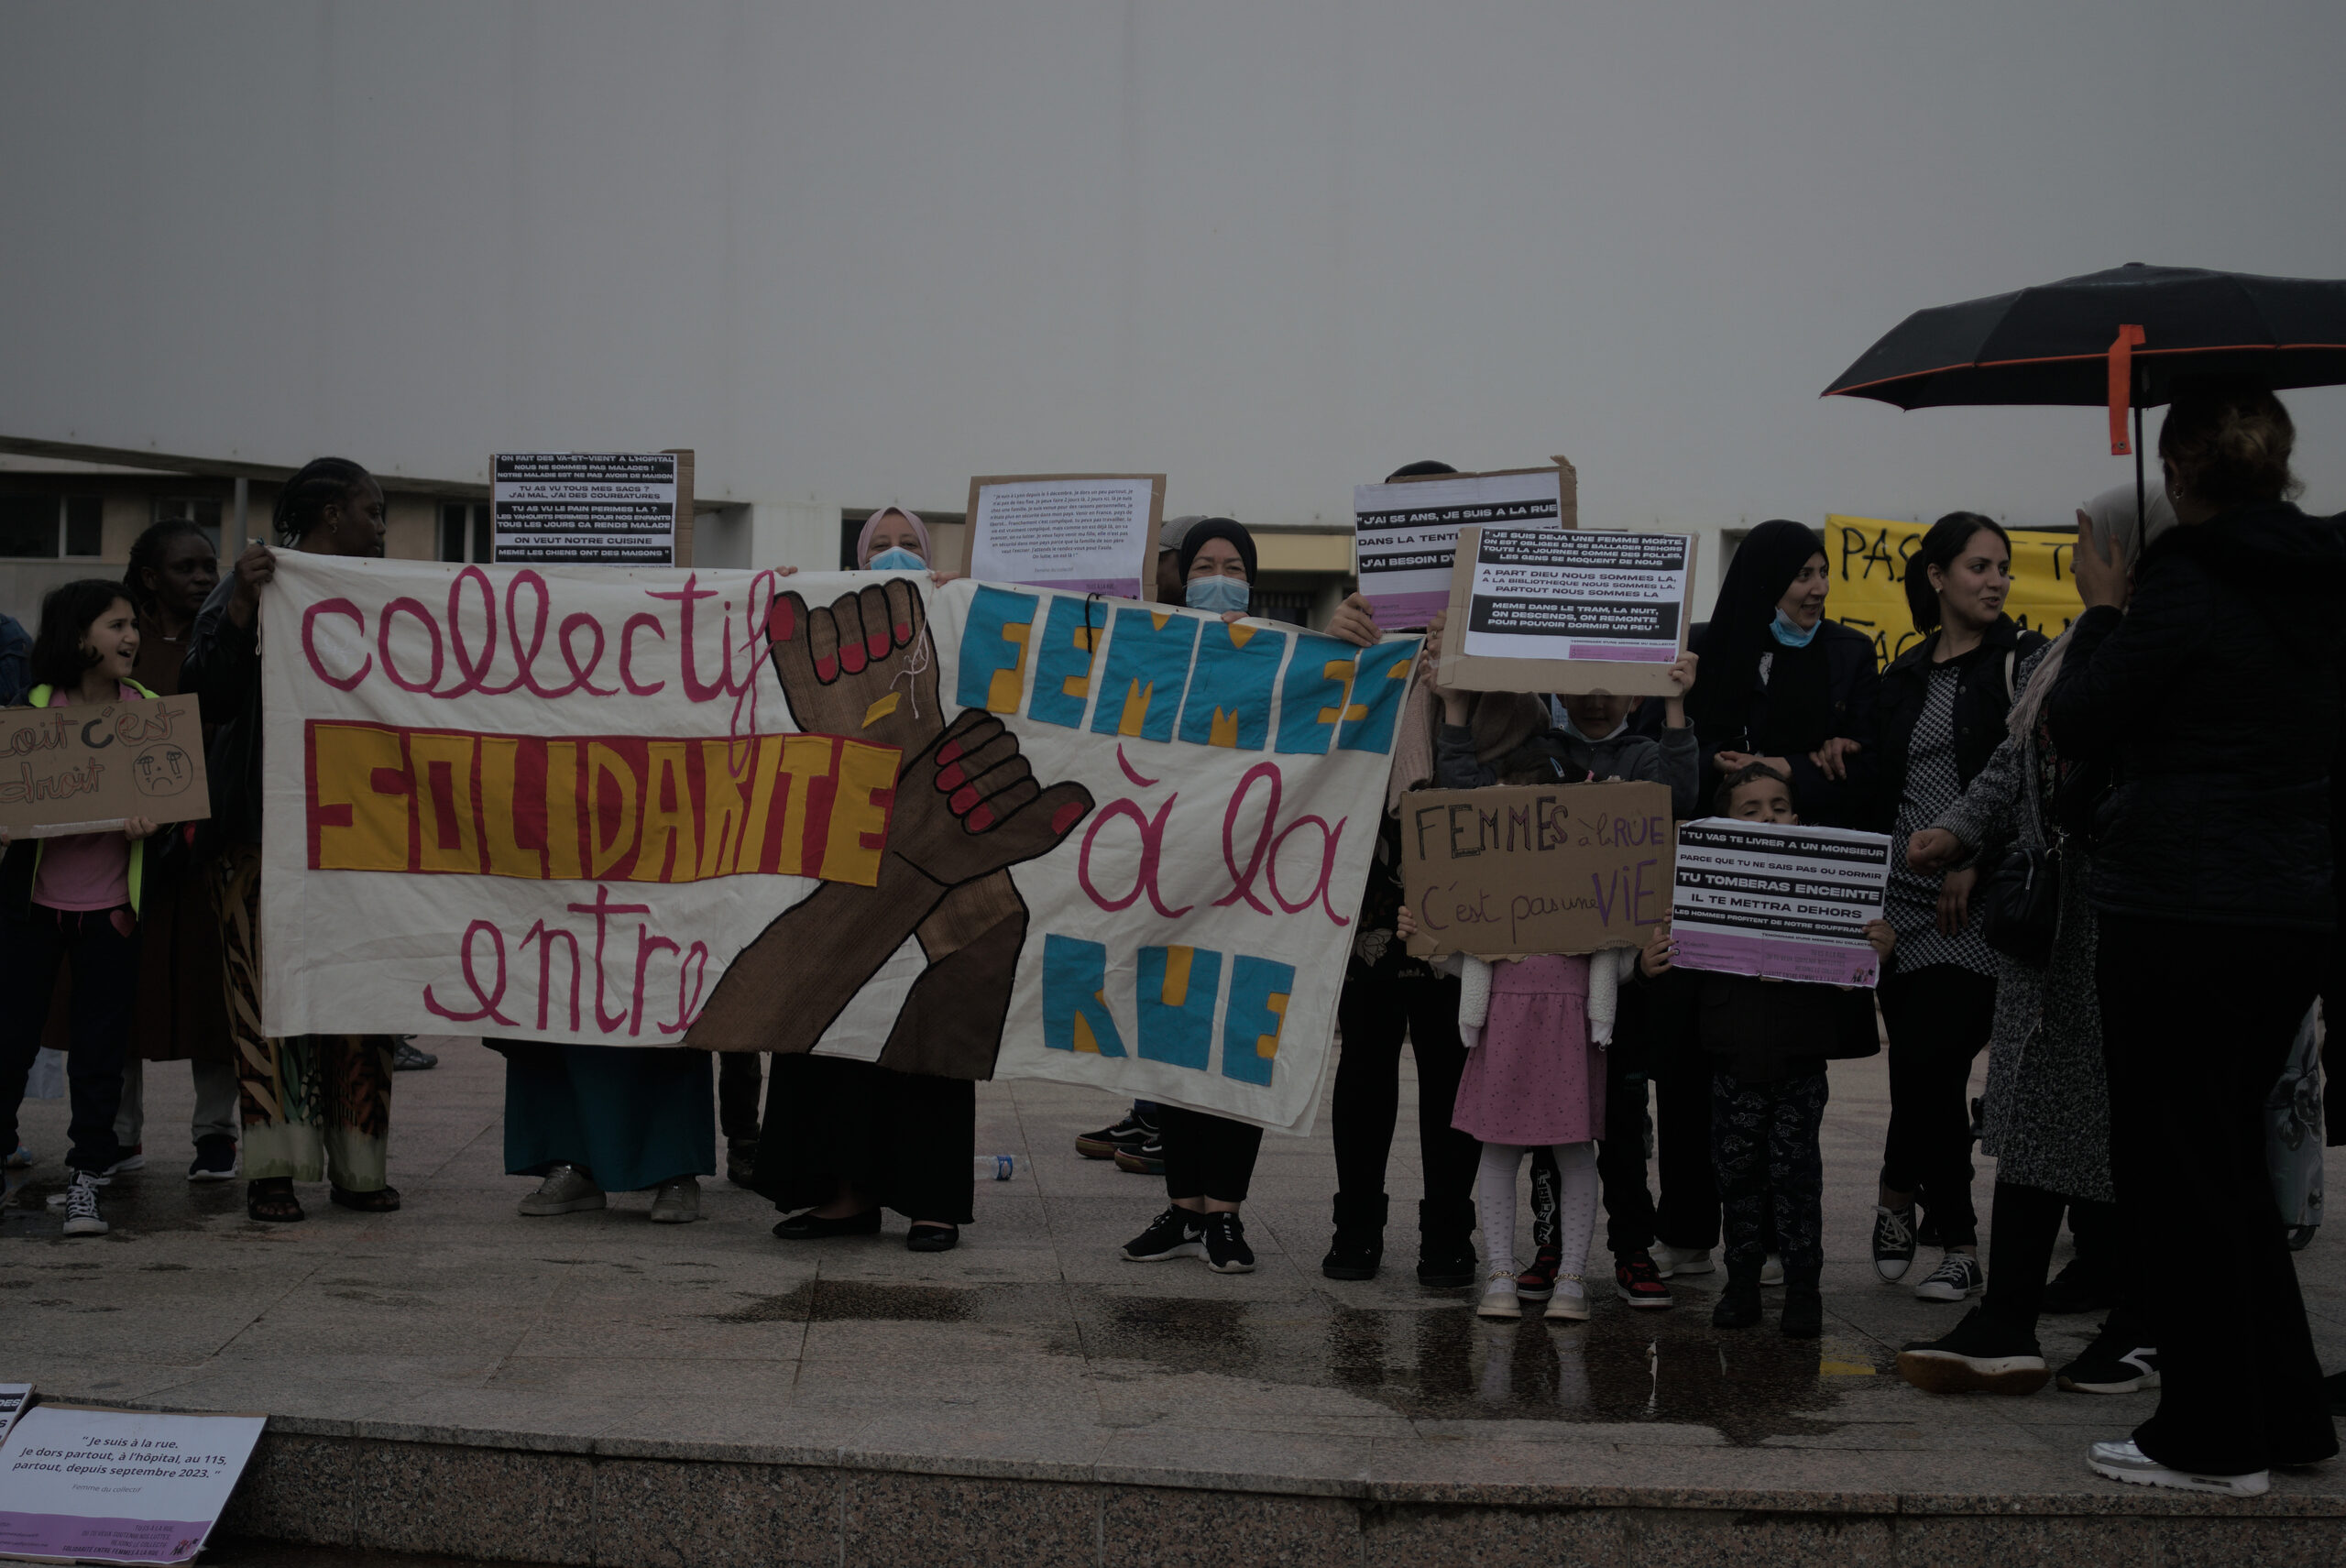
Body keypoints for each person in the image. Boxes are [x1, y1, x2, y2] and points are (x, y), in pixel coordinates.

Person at [2050, 378, 2344, 1497]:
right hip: (2286, 911)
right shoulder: (2324, 583)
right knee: (2226, 1162)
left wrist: (2107, 610)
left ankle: (2211, 1437)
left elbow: (2079, 723)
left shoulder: (2183, 580)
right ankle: (2285, 1413)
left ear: (2174, 474)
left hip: (2178, 907)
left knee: (2178, 1175)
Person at [1894, 483, 2175, 1398]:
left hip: (2121, 922)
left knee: (2118, 1128)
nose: (2070, 558)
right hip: (2055, 927)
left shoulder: (2155, 640)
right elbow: (2020, 756)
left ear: (2127, 555)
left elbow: (2093, 752)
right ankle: (2011, 1314)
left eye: (2087, 542)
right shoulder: (2073, 645)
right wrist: (1958, 830)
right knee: (2042, 1120)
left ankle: (2136, 1321)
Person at [1122, 517, 1382, 1273]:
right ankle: (1182, 1205)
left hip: (1255, 884)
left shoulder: (1286, 653)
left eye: (1232, 562)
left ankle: (1226, 1212)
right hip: (1167, 878)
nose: (1217, 572)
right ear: (1180, 573)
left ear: (1254, 576)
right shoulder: (1156, 641)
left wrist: (1342, 644)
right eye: (1204, 561)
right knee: (1170, 1039)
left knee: (1235, 1038)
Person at [1631, 521, 1877, 1284]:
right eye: (1800, 573)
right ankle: (1690, 1230)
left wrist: (1789, 768)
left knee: (1780, 1063)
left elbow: (1866, 766)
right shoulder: (1703, 648)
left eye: (1822, 572)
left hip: (1796, 903)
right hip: (1702, 893)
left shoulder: (1848, 654)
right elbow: (1653, 744)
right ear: (1760, 580)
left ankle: (1770, 1234)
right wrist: (1717, 763)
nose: (1815, 588)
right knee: (1688, 1059)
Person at [183, 457, 404, 1223]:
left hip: (360, 835)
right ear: (329, 512)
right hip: (259, 833)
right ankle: (272, 1169)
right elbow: (204, 691)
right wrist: (243, 603)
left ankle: (360, 1167)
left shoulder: (386, 599)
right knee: (266, 1000)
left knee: (362, 998)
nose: (381, 527)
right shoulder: (256, 584)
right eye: (371, 511)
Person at [1637, 762, 1891, 1336]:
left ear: (1798, 821)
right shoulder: (1699, 892)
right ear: (1724, 828)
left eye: (1778, 807)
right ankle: (1741, 1283)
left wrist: (1875, 950)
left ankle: (1804, 1289)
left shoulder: (1828, 890)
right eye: (1750, 811)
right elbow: (1677, 983)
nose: (1767, 818)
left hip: (1799, 1060)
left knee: (1797, 1178)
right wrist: (1650, 966)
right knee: (1738, 1179)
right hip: (1729, 1060)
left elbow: (1851, 983)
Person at [1321, 462, 1497, 1288]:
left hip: (1461, 864)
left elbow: (1536, 728)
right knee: (1364, 1059)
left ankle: (1447, 1231)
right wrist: (1336, 644)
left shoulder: (1495, 625)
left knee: (1449, 1056)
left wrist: (1468, 657)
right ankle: (1356, 1221)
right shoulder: (1354, 619)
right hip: (1368, 870)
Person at [1400, 694, 1627, 1323]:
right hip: (1503, 1024)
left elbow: (1622, 947)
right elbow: (1461, 951)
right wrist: (1427, 933)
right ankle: (1500, 1271)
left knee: (1575, 1149)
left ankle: (1572, 1279)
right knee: (1496, 1149)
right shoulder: (1493, 884)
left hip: (1570, 1024)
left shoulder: (1589, 882)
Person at [1866, 513, 2046, 1302]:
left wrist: (1973, 858)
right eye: (1978, 566)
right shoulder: (1901, 677)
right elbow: (1877, 782)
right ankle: (1897, 1185)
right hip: (1897, 902)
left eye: (2003, 567)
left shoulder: (2025, 665)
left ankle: (1956, 1239)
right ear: (1937, 576)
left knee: (1934, 1059)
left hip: (1975, 902)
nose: (1996, 580)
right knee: (1916, 1064)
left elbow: (2033, 786)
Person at [1527, 661, 1701, 1310]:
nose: (1597, 700)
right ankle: (1551, 1247)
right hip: (1550, 978)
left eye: (1612, 685)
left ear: (1637, 691)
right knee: (1551, 1124)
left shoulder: (1650, 755)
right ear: (1557, 689)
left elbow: (1682, 797)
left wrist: (1676, 707)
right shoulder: (1540, 755)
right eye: (1582, 685)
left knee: (1625, 1121)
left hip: (1627, 984)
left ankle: (1633, 1248)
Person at [0, 581, 165, 1236]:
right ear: (77, 636)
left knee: (99, 1054)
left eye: (133, 625)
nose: (131, 637)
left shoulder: (150, 711)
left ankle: (86, 1181)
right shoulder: (30, 708)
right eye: (116, 625)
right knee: (8, 1045)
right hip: (30, 912)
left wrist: (155, 828)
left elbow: (180, 820)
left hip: (110, 915)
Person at [92, 521, 241, 1181]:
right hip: (130, 853)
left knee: (217, 994)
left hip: (209, 847)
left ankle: (216, 1134)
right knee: (121, 991)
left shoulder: (233, 633)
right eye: (188, 567)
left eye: (211, 565)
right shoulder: (121, 642)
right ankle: (121, 1133)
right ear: (150, 577)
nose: (205, 577)